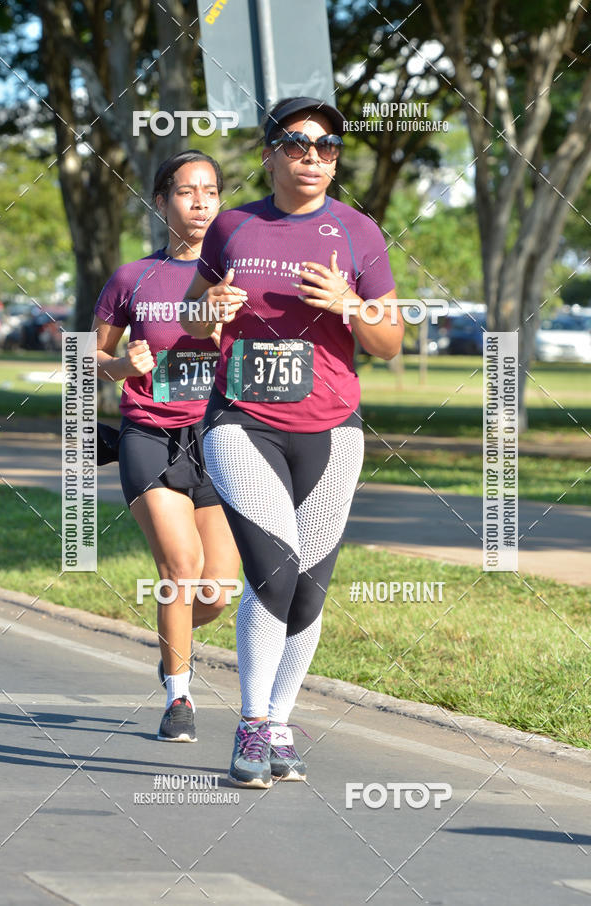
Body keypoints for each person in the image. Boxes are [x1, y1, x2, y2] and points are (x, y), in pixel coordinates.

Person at [182, 96, 403, 788]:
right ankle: (249, 723)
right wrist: (206, 311)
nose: (314, 157)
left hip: (333, 431)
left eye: (329, 147)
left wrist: (349, 304)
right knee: (273, 573)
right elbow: (193, 319)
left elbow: (390, 342)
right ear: (271, 153)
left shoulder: (359, 233)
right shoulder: (233, 228)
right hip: (241, 419)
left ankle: (280, 721)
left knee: (308, 589)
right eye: (299, 144)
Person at [92, 150, 239, 743]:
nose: (199, 202)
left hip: (220, 438)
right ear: (161, 202)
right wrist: (121, 365)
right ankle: (179, 697)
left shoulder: (240, 278)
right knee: (181, 570)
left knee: (218, 591)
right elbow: (87, 356)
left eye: (210, 191)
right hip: (150, 434)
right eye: (186, 191)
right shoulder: (133, 278)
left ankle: (171, 646)